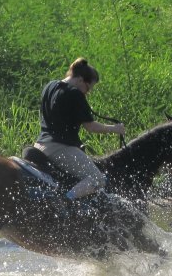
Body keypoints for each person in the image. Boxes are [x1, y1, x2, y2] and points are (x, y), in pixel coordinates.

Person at [34, 57, 125, 201]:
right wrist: (115, 129)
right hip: (60, 147)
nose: (87, 93)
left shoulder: (50, 86)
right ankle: (66, 201)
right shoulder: (74, 93)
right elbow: (90, 126)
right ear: (81, 80)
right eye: (88, 88)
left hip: (40, 145)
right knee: (97, 179)